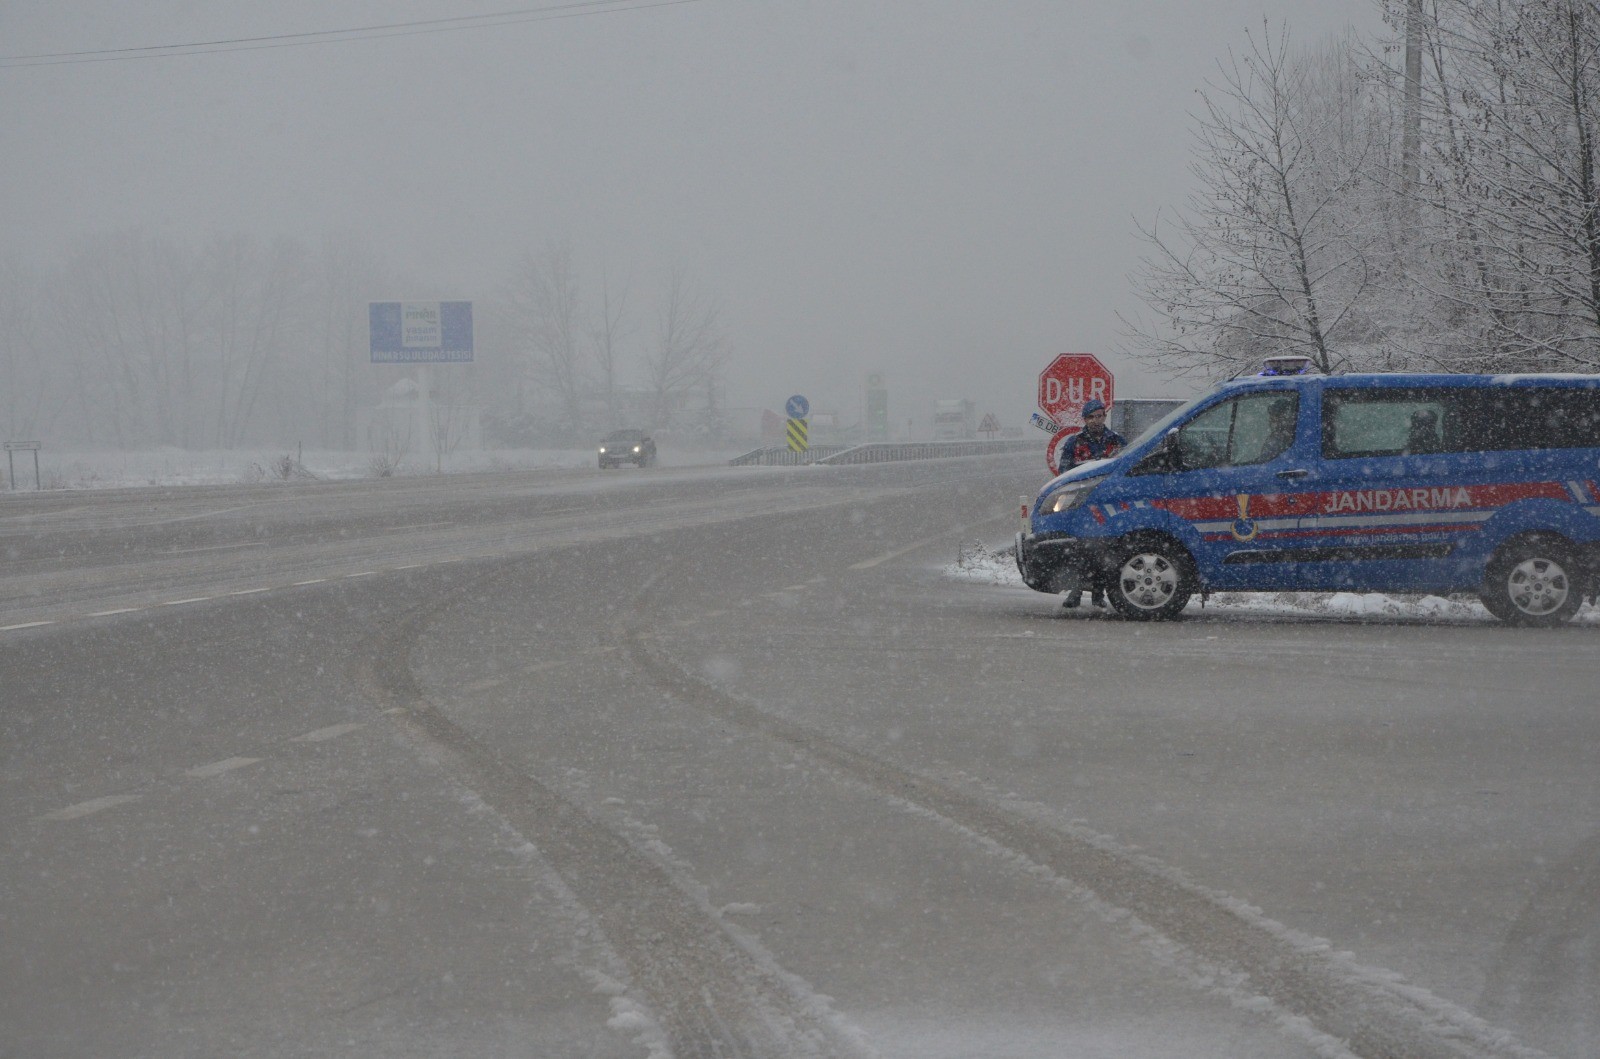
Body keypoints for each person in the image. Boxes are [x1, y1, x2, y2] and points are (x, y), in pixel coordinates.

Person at [1061, 399, 1126, 609]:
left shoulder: (1116, 442)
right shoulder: (1074, 443)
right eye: (1092, 417)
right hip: (1082, 507)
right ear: (1085, 419)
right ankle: (1076, 592)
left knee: (1106, 552)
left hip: (1110, 507)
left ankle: (1099, 594)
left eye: (1100, 415)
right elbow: (1065, 474)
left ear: (1104, 417)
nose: (1096, 420)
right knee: (1079, 551)